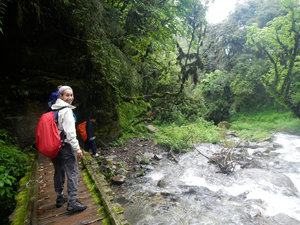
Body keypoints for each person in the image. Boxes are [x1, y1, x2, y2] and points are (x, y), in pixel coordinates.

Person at [51, 85, 87, 212]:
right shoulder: (66, 111)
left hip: (55, 146)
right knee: (72, 172)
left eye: (71, 95)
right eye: (67, 95)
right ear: (60, 96)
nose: (70, 98)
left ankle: (60, 197)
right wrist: (77, 149)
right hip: (65, 146)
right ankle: (72, 202)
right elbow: (71, 134)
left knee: (59, 171)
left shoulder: (53, 108)